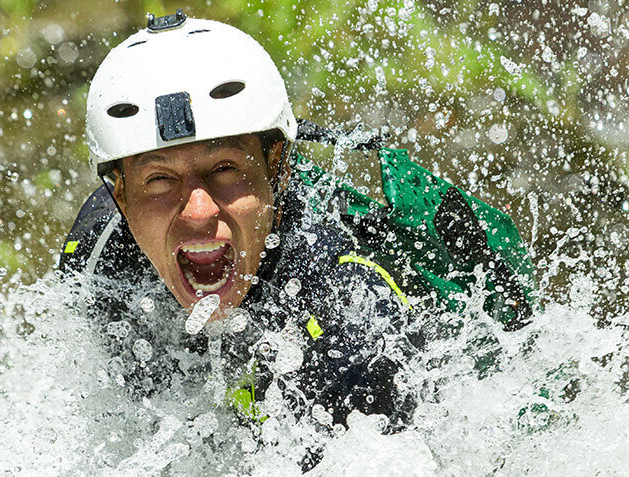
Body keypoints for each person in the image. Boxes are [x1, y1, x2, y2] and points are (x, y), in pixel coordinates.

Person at [58, 10, 418, 467]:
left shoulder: (345, 300)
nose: (199, 211)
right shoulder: (97, 257)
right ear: (121, 196)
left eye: (225, 169)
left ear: (277, 166)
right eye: (160, 180)